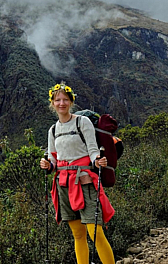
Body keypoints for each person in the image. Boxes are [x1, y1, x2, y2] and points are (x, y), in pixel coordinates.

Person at [40, 83, 115, 264]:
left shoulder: (83, 122)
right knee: (78, 234)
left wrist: (97, 160)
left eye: (65, 99)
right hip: (63, 184)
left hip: (85, 180)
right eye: (57, 100)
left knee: (94, 232)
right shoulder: (53, 130)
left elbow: (92, 150)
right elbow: (53, 159)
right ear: (52, 103)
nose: (61, 103)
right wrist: (47, 165)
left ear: (71, 102)